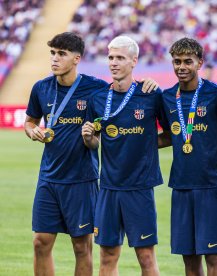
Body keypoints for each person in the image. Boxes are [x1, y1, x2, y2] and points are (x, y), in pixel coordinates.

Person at [81, 35, 168, 275]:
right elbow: (94, 142)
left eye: (120, 58)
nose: (114, 63)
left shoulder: (150, 94)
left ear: (134, 61)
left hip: (139, 187)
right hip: (108, 187)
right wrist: (89, 138)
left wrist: (145, 144)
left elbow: (171, 134)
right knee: (107, 256)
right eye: (110, 57)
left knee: (146, 257)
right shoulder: (98, 97)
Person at [24, 32, 108, 276]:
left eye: (62, 54)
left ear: (77, 59)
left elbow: (99, 140)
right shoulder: (41, 88)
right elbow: (30, 122)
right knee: (40, 242)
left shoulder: (96, 89)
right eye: (52, 53)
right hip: (48, 178)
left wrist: (90, 138)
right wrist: (33, 132)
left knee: (82, 246)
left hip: (81, 179)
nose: (55, 59)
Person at [162, 37, 217, 276]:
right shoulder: (167, 97)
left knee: (214, 257)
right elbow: (169, 135)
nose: (181, 67)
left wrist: (215, 145)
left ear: (199, 62)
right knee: (189, 260)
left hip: (211, 184)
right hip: (181, 184)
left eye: (187, 62)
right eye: (177, 61)